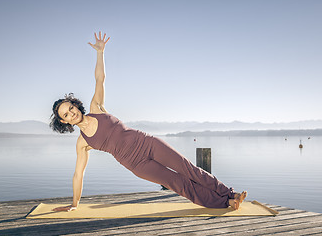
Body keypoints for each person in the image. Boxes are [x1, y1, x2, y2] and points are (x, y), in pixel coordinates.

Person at [50, 32, 247, 212]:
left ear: (75, 105)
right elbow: (78, 174)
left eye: (71, 108)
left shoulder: (96, 107)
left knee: (189, 169)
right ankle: (225, 203)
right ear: (64, 122)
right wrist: (74, 204)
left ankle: (230, 193)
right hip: (136, 164)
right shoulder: (83, 143)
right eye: (66, 115)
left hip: (148, 143)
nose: (71, 113)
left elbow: (100, 79)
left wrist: (100, 53)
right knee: (178, 184)